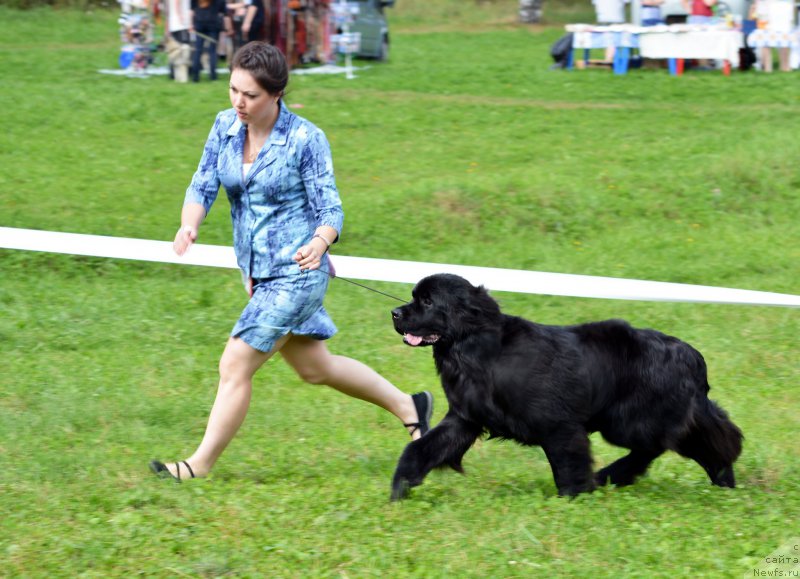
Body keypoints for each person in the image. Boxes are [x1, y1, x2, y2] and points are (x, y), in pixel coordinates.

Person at [150, 41, 433, 482]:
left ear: (276, 94)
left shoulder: (305, 139)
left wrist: (320, 243)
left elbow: (331, 210)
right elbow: (202, 184)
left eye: (251, 95)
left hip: (299, 274)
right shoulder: (224, 127)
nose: (239, 103)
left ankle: (198, 465)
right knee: (315, 368)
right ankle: (408, 406)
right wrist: (190, 225)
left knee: (235, 363)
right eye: (234, 90)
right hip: (259, 274)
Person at [190, 0, 228, 81]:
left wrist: (191, 24)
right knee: (212, 51)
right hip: (213, 25)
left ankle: (195, 77)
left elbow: (192, 10)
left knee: (198, 50)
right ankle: (213, 76)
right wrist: (227, 27)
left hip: (199, 23)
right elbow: (224, 13)